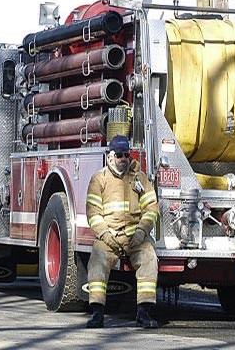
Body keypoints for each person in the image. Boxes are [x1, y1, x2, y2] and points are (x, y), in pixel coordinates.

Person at [85, 134, 159, 329]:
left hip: (136, 237)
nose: (124, 159)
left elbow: (151, 208)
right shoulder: (99, 179)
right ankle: (97, 313)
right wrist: (106, 236)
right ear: (111, 156)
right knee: (97, 261)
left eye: (126, 154)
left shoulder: (139, 178)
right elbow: (93, 213)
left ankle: (144, 313)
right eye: (119, 155)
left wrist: (142, 232)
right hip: (109, 237)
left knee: (150, 259)